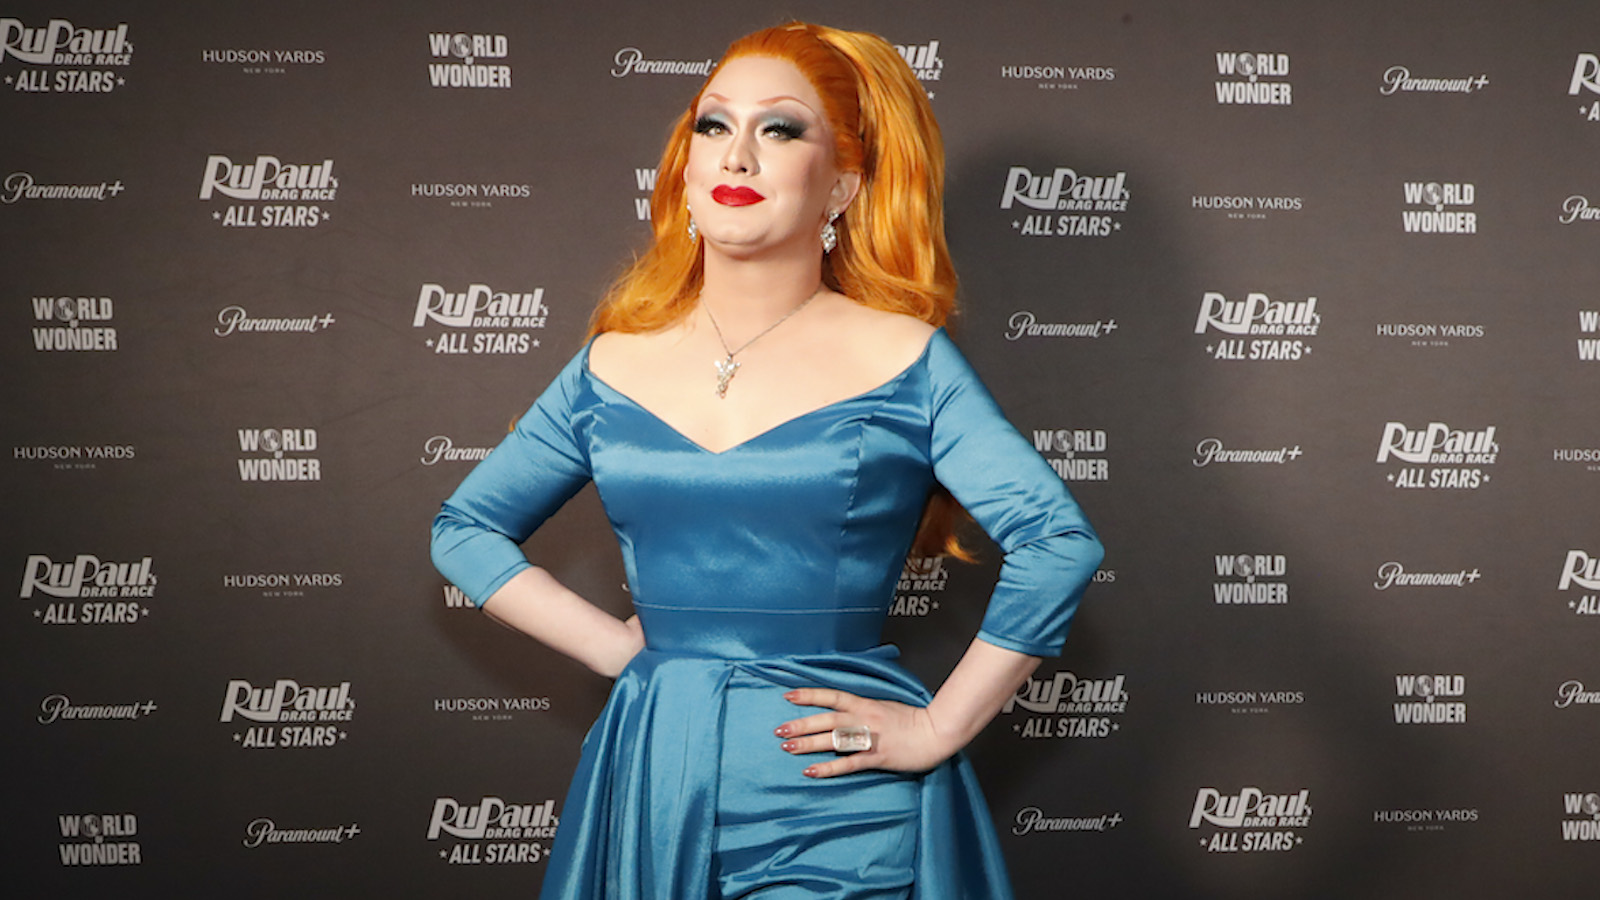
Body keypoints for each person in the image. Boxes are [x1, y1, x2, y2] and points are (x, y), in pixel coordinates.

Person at [431, 21, 1103, 899]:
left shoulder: (905, 358)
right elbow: (465, 527)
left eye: (780, 130)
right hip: (655, 773)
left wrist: (940, 728)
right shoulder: (611, 363)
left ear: (845, 183)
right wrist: (616, 651)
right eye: (714, 126)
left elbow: (1057, 541)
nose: (736, 156)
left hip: (840, 801)